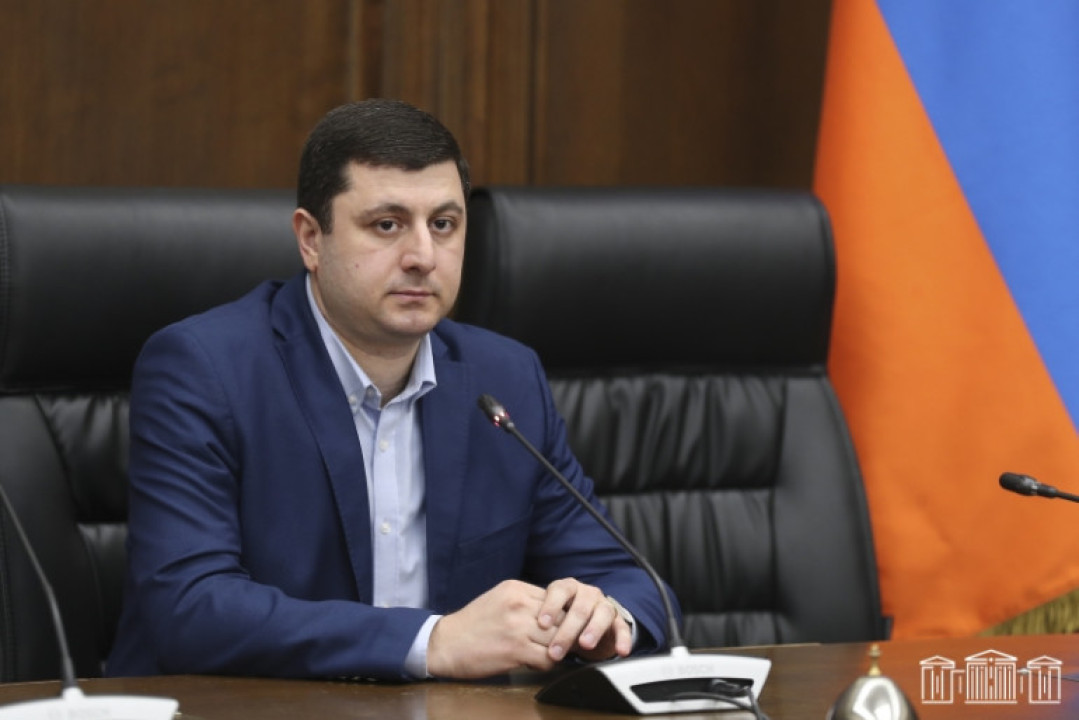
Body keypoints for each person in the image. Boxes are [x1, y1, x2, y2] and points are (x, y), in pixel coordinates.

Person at [107, 98, 677, 681]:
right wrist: (432, 642)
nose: (423, 257)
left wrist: (604, 620)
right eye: (387, 225)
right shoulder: (204, 369)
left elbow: (636, 585)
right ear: (311, 239)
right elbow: (189, 608)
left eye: (443, 225)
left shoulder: (504, 378)